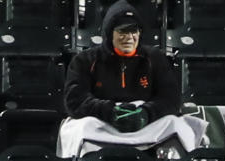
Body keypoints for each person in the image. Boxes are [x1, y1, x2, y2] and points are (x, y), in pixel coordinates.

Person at [64, 0, 180, 132]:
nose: (129, 37)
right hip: (102, 123)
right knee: (81, 127)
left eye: (134, 31)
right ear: (109, 34)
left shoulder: (155, 58)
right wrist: (109, 111)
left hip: (146, 124)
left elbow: (171, 99)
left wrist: (146, 114)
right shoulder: (84, 60)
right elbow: (75, 100)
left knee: (175, 124)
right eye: (122, 32)